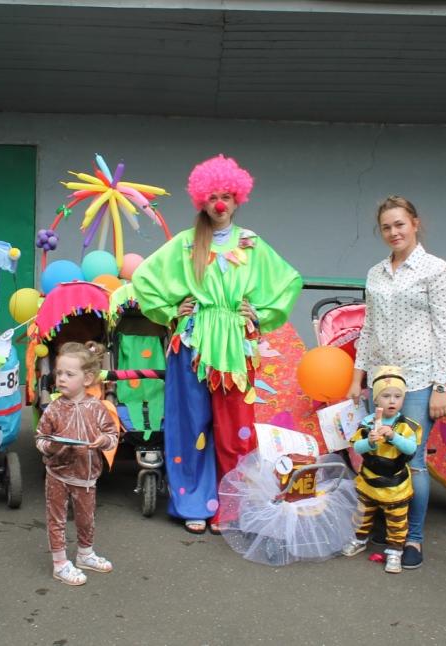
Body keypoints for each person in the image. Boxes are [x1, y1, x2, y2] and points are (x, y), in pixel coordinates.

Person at [132, 154, 302, 535]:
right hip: (192, 344)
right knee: (191, 423)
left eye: (226, 196)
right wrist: (171, 309)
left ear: (238, 199)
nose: (220, 204)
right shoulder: (185, 244)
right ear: (202, 201)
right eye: (213, 197)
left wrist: (258, 313)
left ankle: (232, 507)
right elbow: (143, 279)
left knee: (235, 428)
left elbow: (288, 281)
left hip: (236, 347)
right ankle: (194, 502)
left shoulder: (251, 244)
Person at [347, 196, 446, 570]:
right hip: (381, 379)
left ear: (415, 223)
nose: (394, 232)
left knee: (413, 458)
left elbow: (445, 330)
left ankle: (413, 538)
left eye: (400, 224)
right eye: (386, 227)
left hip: (419, 379)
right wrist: (358, 377)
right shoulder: (376, 272)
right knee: (378, 451)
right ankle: (385, 523)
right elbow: (368, 329)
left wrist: (440, 386)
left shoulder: (435, 269)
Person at [34, 342, 119, 586]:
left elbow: (112, 435)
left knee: (86, 518)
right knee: (57, 519)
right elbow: (40, 438)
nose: (61, 378)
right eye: (59, 373)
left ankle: (85, 554)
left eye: (69, 374)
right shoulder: (53, 409)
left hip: (86, 475)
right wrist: (51, 447)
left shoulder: (98, 407)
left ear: (87, 378)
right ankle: (60, 563)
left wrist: (103, 441)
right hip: (57, 474)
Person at [342, 366, 420, 574]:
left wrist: (393, 437)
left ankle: (395, 550)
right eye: (386, 396)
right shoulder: (367, 423)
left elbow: (411, 449)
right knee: (362, 513)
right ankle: (359, 539)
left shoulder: (406, 426)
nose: (392, 401)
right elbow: (357, 447)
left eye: (397, 396)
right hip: (369, 481)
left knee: (397, 520)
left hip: (395, 485)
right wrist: (369, 441)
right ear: (376, 400)